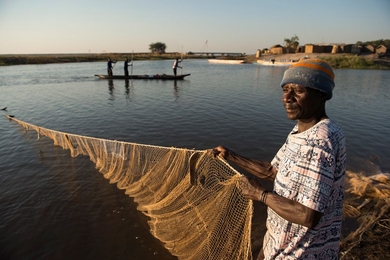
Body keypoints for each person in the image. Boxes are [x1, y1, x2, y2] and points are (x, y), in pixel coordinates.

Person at [213, 59, 346, 259]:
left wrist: (260, 194)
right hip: (280, 244)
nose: (287, 98)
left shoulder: (319, 141)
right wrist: (230, 155)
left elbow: (308, 216)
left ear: (322, 94)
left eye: (298, 91)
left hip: (301, 253)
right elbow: (272, 171)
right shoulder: (302, 130)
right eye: (285, 90)